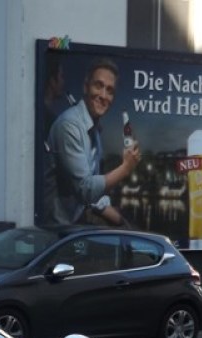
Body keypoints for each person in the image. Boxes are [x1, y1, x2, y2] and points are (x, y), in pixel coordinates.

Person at [41, 58, 141, 228]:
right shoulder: (69, 126)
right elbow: (86, 190)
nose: (103, 95)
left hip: (72, 225)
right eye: (98, 86)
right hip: (56, 231)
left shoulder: (94, 131)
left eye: (109, 90)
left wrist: (120, 220)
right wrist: (125, 168)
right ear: (85, 87)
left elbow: (93, 188)